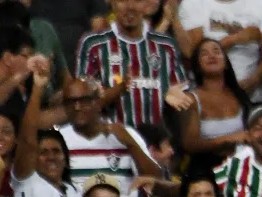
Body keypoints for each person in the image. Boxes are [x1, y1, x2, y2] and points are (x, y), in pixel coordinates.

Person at [55, 77, 164, 197]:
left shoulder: (127, 135)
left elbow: (156, 180)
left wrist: (130, 144)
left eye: (84, 100)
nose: (77, 107)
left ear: (98, 101)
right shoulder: (59, 140)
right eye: (71, 102)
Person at [75, 0, 189, 129]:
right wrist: (119, 89)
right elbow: (82, 104)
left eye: (137, 0)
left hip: (157, 143)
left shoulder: (166, 45)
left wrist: (169, 94)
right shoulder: (93, 44)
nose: (130, 7)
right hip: (111, 141)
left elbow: (183, 95)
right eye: (122, 1)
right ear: (111, 3)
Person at [11, 60, 80, 197]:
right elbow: (27, 140)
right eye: (43, 152)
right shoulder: (27, 180)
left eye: (56, 151)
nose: (51, 157)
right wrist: (38, 88)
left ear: (65, 158)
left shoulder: (74, 191)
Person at [174, 0, 262, 95]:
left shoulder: (260, 6)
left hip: (251, 94)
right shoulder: (193, 3)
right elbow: (196, 54)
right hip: (207, 95)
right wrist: (234, 39)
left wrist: (255, 79)